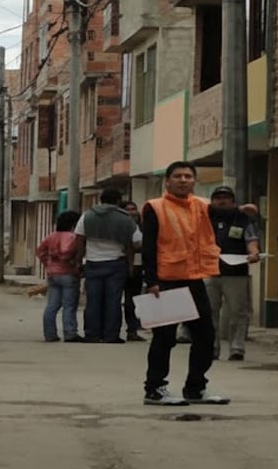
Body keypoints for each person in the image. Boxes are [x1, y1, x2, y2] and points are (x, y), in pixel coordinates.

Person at [141, 161, 229, 406]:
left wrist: (245, 210)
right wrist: (151, 280)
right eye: (178, 176)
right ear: (167, 181)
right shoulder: (155, 208)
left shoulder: (202, 206)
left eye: (188, 176)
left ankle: (195, 388)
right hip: (165, 282)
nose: (183, 180)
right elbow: (148, 247)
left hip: (193, 280)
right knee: (165, 338)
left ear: (194, 181)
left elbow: (227, 214)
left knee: (206, 336)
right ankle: (155, 389)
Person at [205, 186, 261, 361]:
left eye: (226, 198)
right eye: (218, 198)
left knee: (238, 312)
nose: (222, 201)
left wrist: (254, 252)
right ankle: (211, 348)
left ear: (233, 201)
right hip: (209, 271)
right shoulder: (205, 217)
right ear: (212, 201)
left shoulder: (242, 218)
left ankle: (237, 348)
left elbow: (251, 239)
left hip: (236, 273)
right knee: (209, 312)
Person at [75, 188, 138, 344]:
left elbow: (79, 240)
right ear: (118, 201)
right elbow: (134, 243)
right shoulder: (125, 219)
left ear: (101, 199)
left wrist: (78, 262)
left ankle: (92, 334)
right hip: (116, 264)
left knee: (93, 301)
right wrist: (130, 265)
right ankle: (111, 335)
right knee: (113, 301)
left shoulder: (87, 216)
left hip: (92, 263)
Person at [37, 210, 83, 342]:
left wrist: (48, 264)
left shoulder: (51, 236)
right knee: (69, 305)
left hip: (53, 274)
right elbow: (66, 251)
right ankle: (70, 333)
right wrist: (72, 262)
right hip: (68, 273)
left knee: (52, 305)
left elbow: (40, 251)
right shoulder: (72, 237)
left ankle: (50, 334)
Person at [121, 200, 146, 342]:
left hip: (139, 265)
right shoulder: (123, 226)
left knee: (134, 298)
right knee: (126, 298)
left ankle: (133, 328)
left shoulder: (143, 226)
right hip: (122, 264)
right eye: (128, 209)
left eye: (133, 209)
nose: (131, 212)